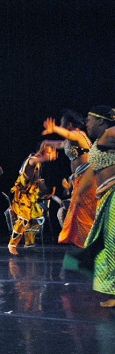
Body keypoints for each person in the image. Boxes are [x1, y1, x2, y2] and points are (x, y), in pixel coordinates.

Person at [63, 105, 115, 308]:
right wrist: (77, 197)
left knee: (111, 243)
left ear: (101, 120)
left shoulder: (111, 133)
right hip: (105, 196)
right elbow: (92, 170)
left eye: (90, 119)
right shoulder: (98, 142)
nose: (86, 122)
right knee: (99, 244)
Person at [41, 111, 95, 248]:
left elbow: (69, 135)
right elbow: (61, 144)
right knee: (76, 212)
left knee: (82, 212)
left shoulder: (78, 134)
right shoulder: (71, 139)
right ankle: (85, 243)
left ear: (69, 124)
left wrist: (54, 129)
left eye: (62, 123)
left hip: (87, 178)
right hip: (79, 178)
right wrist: (46, 142)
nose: (60, 125)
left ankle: (91, 244)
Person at [7, 144, 57, 255]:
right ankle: (12, 244)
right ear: (41, 151)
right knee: (23, 220)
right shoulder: (32, 159)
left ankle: (29, 243)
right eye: (48, 152)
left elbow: (35, 181)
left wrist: (41, 186)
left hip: (31, 195)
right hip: (21, 194)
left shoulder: (38, 165)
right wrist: (47, 157)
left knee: (37, 218)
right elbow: (32, 163)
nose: (49, 155)